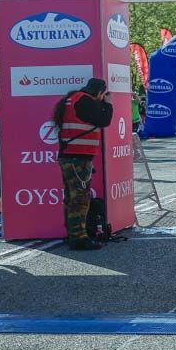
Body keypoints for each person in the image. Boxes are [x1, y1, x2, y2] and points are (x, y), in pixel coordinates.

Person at [53, 78, 113, 250]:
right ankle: (79, 238)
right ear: (100, 92)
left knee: (72, 197)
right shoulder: (84, 100)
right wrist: (108, 104)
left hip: (70, 156)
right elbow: (103, 120)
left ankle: (73, 234)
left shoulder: (73, 99)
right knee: (80, 199)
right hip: (77, 157)